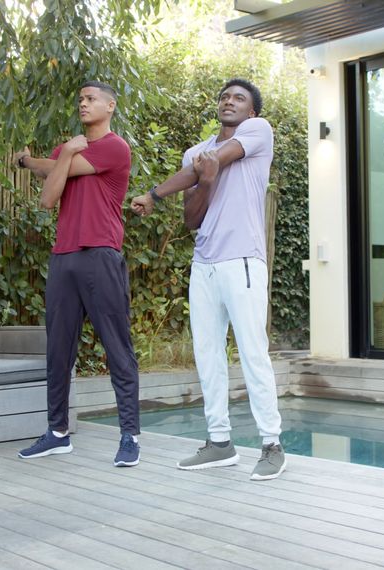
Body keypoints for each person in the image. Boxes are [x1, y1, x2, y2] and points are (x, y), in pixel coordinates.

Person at [130, 78, 285, 481]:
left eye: (239, 98)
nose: (229, 101)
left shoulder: (258, 131)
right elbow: (193, 218)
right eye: (224, 96)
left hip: (243, 261)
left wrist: (156, 192)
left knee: (253, 353)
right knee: (207, 354)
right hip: (205, 264)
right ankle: (220, 442)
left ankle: (271, 444)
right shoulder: (195, 153)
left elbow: (220, 158)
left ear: (251, 111)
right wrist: (203, 180)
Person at [13, 81, 140, 467]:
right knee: (58, 349)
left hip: (100, 254)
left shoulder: (115, 147)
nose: (83, 104)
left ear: (111, 105)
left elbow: (55, 169)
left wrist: (50, 159)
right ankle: (57, 433)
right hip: (63, 256)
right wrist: (43, 159)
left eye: (91, 99)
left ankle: (130, 435)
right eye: (80, 100)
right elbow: (48, 197)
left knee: (117, 347)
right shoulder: (69, 150)